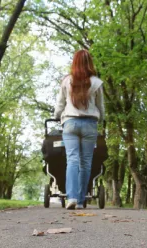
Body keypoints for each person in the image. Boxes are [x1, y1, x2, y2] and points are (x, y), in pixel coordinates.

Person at [54, 49, 105, 210]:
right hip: (90, 123)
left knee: (72, 160)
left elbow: (60, 105)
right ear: (90, 63)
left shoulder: (67, 81)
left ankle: (72, 197)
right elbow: (100, 106)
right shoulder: (96, 83)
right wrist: (101, 118)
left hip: (70, 123)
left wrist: (57, 116)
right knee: (85, 162)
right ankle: (82, 200)